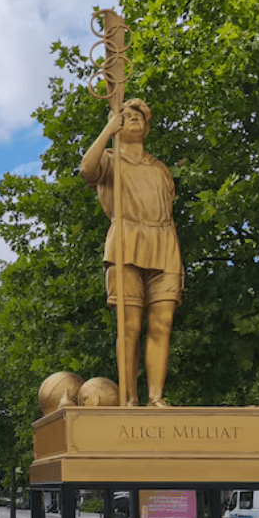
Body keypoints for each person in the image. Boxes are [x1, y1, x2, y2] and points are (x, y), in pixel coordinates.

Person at [79, 99, 183, 407]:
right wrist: (108, 129)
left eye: (138, 116)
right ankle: (129, 398)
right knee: (130, 326)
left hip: (164, 244)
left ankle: (155, 397)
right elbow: (87, 170)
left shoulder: (161, 169)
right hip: (126, 243)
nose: (132, 120)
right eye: (125, 116)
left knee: (162, 324)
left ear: (147, 126)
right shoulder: (109, 160)